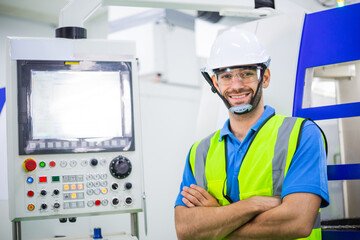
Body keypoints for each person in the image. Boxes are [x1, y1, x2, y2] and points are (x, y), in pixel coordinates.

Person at [174, 27, 329, 240]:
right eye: (226, 76)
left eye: (246, 74)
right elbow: (185, 230)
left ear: (264, 77)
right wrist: (254, 204)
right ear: (215, 83)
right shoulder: (199, 152)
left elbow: (298, 221)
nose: (236, 85)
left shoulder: (302, 135)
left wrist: (215, 222)